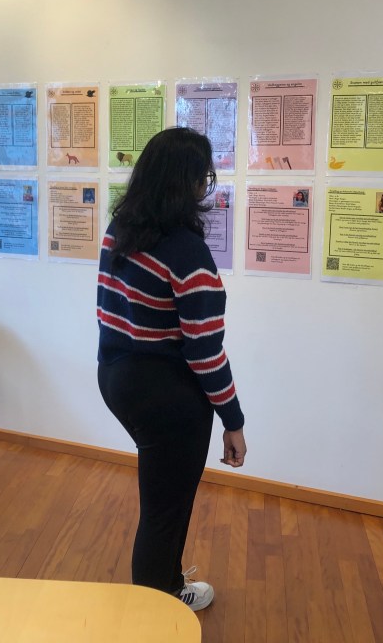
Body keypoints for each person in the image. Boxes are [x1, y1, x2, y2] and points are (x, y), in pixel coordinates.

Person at [96, 126, 246, 612]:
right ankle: (154, 610)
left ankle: (166, 585)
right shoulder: (187, 253)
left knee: (162, 500)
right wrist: (234, 421)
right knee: (165, 510)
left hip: (115, 376)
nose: (207, 186)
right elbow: (205, 353)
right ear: (189, 183)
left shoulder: (121, 230)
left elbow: (107, 310)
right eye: (205, 177)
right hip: (166, 396)